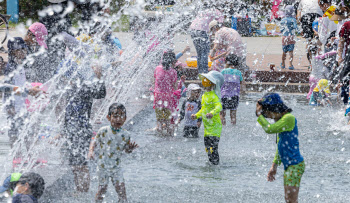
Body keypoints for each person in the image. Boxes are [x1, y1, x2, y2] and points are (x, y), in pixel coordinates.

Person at [62, 63, 106, 193]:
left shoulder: (83, 88)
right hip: (72, 131)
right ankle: (79, 190)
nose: (65, 80)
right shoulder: (70, 90)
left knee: (80, 164)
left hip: (81, 131)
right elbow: (68, 112)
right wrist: (63, 130)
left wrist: (99, 77)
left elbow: (101, 93)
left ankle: (83, 191)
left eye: (66, 77)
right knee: (75, 164)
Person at [256, 93, 305, 203]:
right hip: (290, 166)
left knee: (291, 200)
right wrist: (274, 166)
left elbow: (269, 129)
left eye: (269, 114)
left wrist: (259, 115)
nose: (269, 117)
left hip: (295, 165)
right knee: (288, 200)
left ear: (275, 109)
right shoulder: (283, 120)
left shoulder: (289, 118)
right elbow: (281, 146)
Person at [88, 103, 138, 203]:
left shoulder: (126, 134)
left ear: (125, 118)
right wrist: (91, 151)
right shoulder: (103, 131)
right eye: (115, 116)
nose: (118, 119)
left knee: (122, 192)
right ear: (108, 117)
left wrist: (130, 149)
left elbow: (126, 150)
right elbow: (94, 141)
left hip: (116, 167)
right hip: (103, 166)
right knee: (102, 190)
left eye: (121, 116)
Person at [2, 37, 41, 148]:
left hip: (22, 107)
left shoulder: (20, 66)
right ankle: (15, 156)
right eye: (20, 50)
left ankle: (28, 156)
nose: (23, 52)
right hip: (14, 108)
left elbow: (20, 84)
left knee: (28, 131)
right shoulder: (10, 68)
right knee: (15, 132)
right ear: (13, 52)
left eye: (24, 49)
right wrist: (10, 107)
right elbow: (7, 88)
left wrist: (31, 87)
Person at [191, 71, 224, 165]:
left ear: (212, 83)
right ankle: (211, 164)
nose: (204, 82)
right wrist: (196, 115)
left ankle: (216, 166)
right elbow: (203, 109)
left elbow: (219, 107)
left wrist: (212, 113)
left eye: (207, 80)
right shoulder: (204, 95)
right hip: (207, 128)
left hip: (215, 127)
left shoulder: (214, 96)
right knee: (207, 148)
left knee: (213, 148)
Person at [189, 3, 224, 74]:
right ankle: (204, 73)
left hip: (192, 29)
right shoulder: (217, 11)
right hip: (201, 30)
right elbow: (220, 24)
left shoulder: (205, 10)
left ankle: (200, 73)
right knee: (204, 53)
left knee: (199, 53)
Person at [153, 51, 178, 136]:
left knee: (159, 120)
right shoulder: (173, 72)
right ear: (172, 61)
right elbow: (175, 87)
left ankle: (159, 133)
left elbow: (155, 80)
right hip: (168, 97)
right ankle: (169, 135)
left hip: (158, 96)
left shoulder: (157, 68)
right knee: (168, 120)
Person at [297, 0, 323, 67]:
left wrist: (301, 28)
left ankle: (311, 63)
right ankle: (318, 62)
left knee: (309, 42)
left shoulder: (302, 1)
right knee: (318, 41)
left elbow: (298, 16)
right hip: (318, 16)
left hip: (306, 17)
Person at [220, 54, 243, 126]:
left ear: (227, 62)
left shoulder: (223, 71)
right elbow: (241, 83)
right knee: (233, 115)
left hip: (224, 95)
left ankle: (222, 127)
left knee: (222, 114)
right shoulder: (239, 72)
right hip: (235, 96)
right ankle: (233, 128)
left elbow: (219, 81)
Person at [280, 5, 298, 70]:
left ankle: (282, 64)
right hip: (291, 37)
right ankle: (290, 64)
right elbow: (296, 28)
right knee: (291, 52)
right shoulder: (293, 19)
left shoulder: (283, 20)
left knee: (284, 51)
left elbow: (281, 29)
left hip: (284, 37)